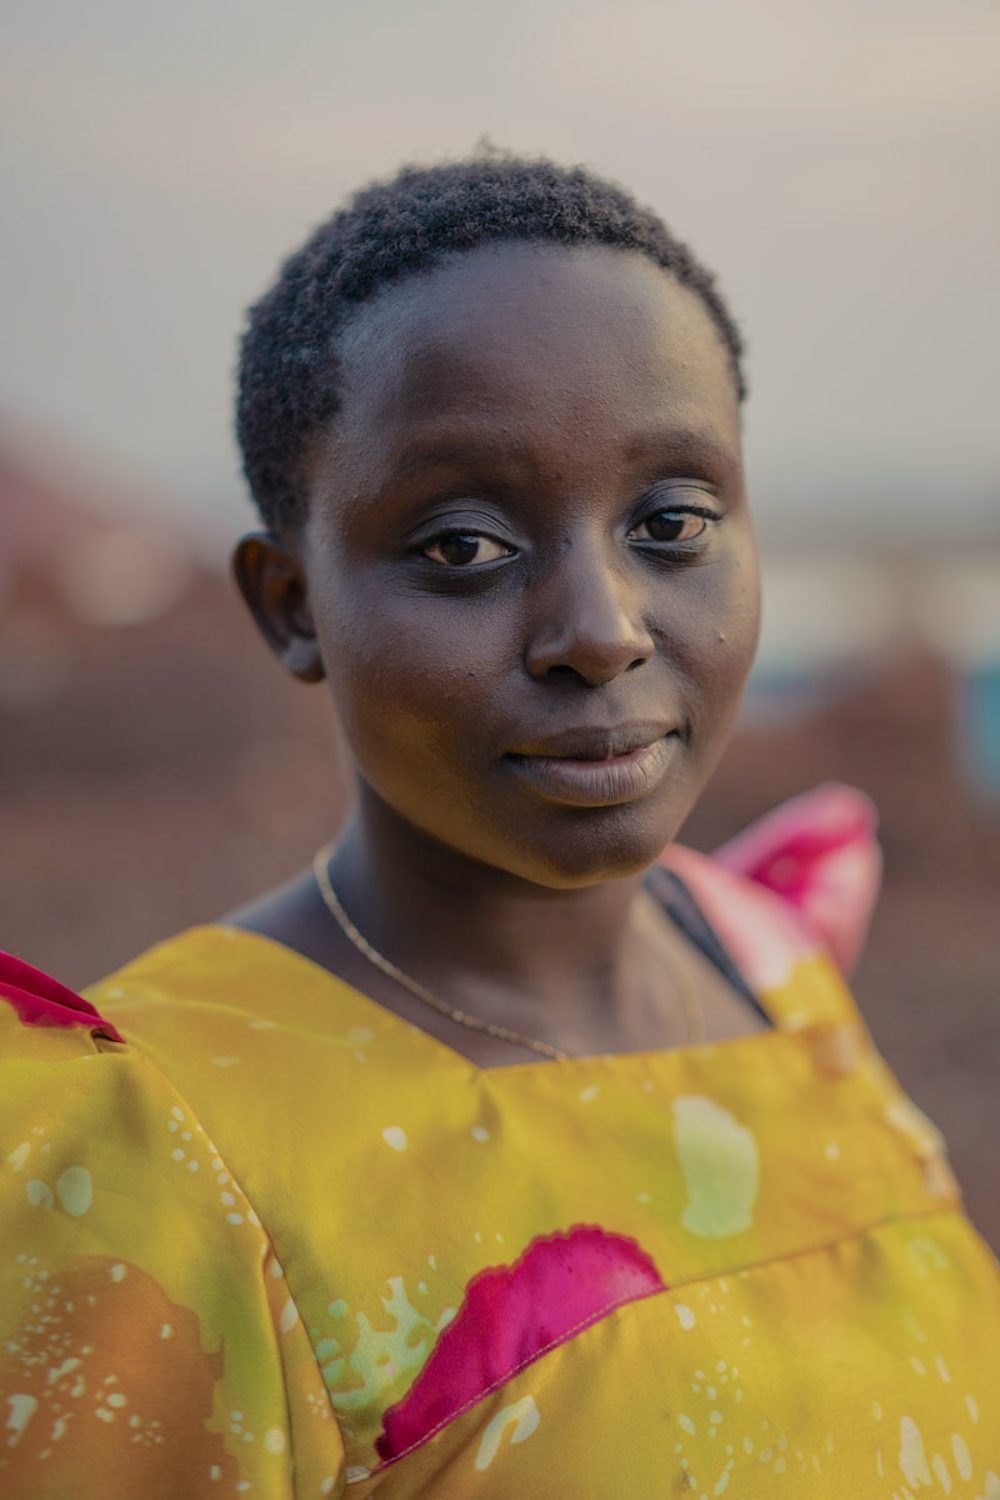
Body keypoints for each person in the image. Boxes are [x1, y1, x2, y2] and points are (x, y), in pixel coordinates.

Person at [1, 153, 997, 1498]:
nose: (602, 628)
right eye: (463, 545)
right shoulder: (165, 1150)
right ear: (292, 604)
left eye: (673, 522)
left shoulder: (767, 964)